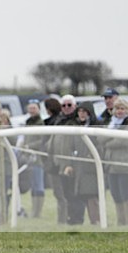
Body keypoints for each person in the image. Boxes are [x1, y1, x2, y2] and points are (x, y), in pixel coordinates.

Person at [62, 102, 101, 225]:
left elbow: (101, 145)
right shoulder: (76, 127)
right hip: (79, 167)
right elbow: (71, 147)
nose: (82, 114)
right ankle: (79, 221)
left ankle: (97, 221)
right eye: (80, 111)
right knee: (80, 195)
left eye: (85, 111)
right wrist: (69, 164)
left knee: (92, 196)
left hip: (91, 168)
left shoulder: (97, 126)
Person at [101, 97, 128, 225]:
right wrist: (108, 137)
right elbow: (100, 139)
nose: (120, 111)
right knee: (116, 196)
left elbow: (121, 142)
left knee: (126, 196)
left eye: (123, 108)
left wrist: (108, 140)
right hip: (111, 166)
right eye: (117, 108)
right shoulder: (111, 124)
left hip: (125, 166)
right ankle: (121, 222)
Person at [46, 96, 76, 224]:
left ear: (74, 106)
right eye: (64, 105)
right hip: (56, 163)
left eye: (69, 105)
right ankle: (62, 221)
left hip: (69, 165)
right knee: (59, 195)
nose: (66, 108)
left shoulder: (76, 121)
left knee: (69, 196)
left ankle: (70, 221)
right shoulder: (58, 120)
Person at [19, 99, 46, 218]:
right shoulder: (28, 122)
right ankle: (34, 211)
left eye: (34, 108)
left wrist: (29, 146)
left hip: (38, 158)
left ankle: (37, 212)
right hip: (28, 157)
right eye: (30, 108)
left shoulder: (41, 123)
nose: (31, 110)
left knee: (38, 185)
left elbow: (42, 140)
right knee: (33, 185)